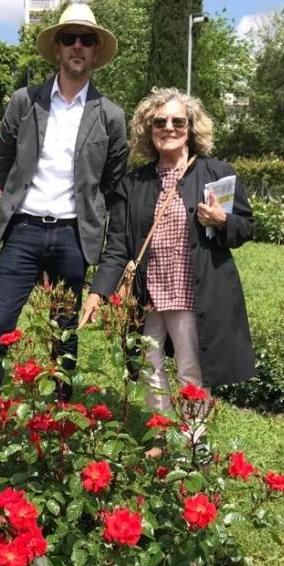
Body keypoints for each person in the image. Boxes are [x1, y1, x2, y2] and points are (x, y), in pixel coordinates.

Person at [80, 88, 255, 451]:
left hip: (191, 290)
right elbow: (117, 246)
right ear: (149, 129)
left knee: (192, 368)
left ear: (190, 128)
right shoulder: (134, 183)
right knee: (149, 365)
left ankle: (193, 440)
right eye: (160, 122)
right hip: (147, 294)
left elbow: (246, 228)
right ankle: (161, 432)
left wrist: (223, 220)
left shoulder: (215, 174)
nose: (169, 128)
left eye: (178, 121)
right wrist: (98, 290)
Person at [0, 4, 128, 395]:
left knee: (64, 331)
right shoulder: (26, 102)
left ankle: (61, 415)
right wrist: (13, 195)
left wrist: (92, 217)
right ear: (57, 49)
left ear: (95, 52)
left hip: (73, 237)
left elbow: (113, 183)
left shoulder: (110, 116)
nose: (77, 46)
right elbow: (0, 158)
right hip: (24, 229)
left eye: (86, 39)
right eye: (69, 38)